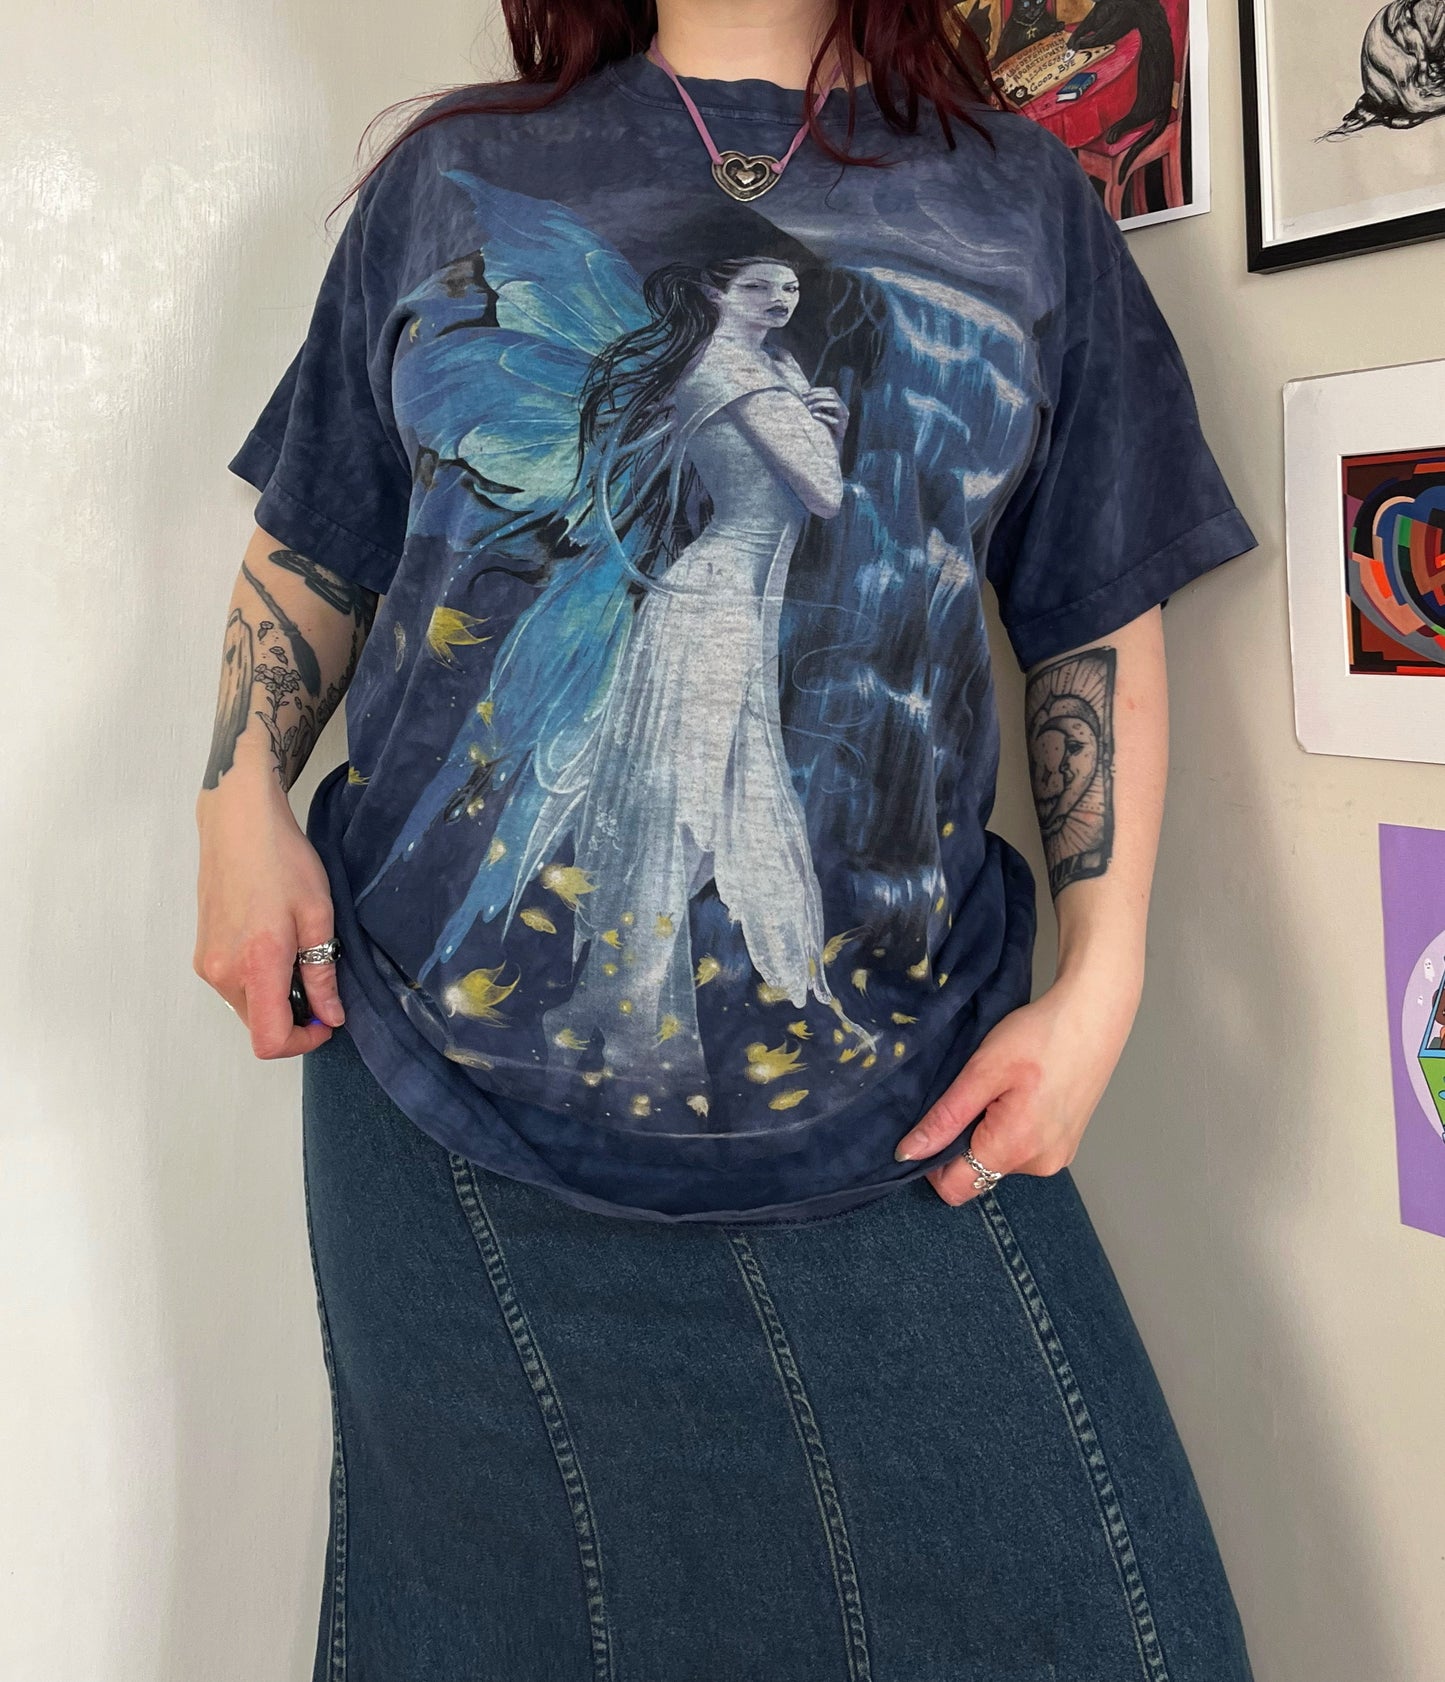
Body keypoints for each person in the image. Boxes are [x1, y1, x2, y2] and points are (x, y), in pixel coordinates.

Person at [194, 1, 1262, 1676]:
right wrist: (233, 798)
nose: (765, 302)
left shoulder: (1015, 197)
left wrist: (1103, 977)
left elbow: (1089, 612)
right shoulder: (450, 176)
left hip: (903, 1099)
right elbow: (319, 539)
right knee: (493, 1627)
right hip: (442, 1108)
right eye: (748, 298)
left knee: (1111, 1622)